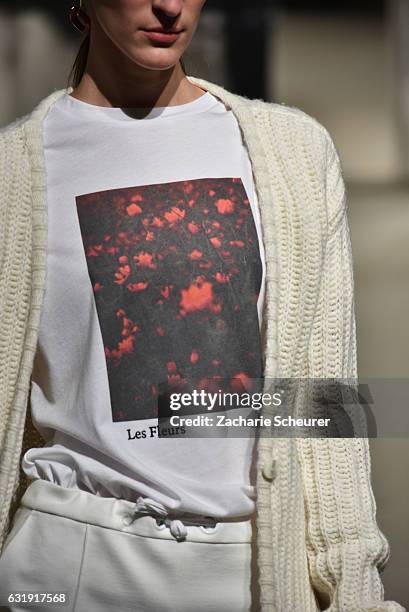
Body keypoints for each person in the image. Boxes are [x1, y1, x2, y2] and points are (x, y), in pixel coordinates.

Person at [0, 1, 405, 611]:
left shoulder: (294, 153)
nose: (169, 5)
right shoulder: (12, 177)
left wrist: (356, 590)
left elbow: (325, 403)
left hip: (249, 574)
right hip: (67, 569)